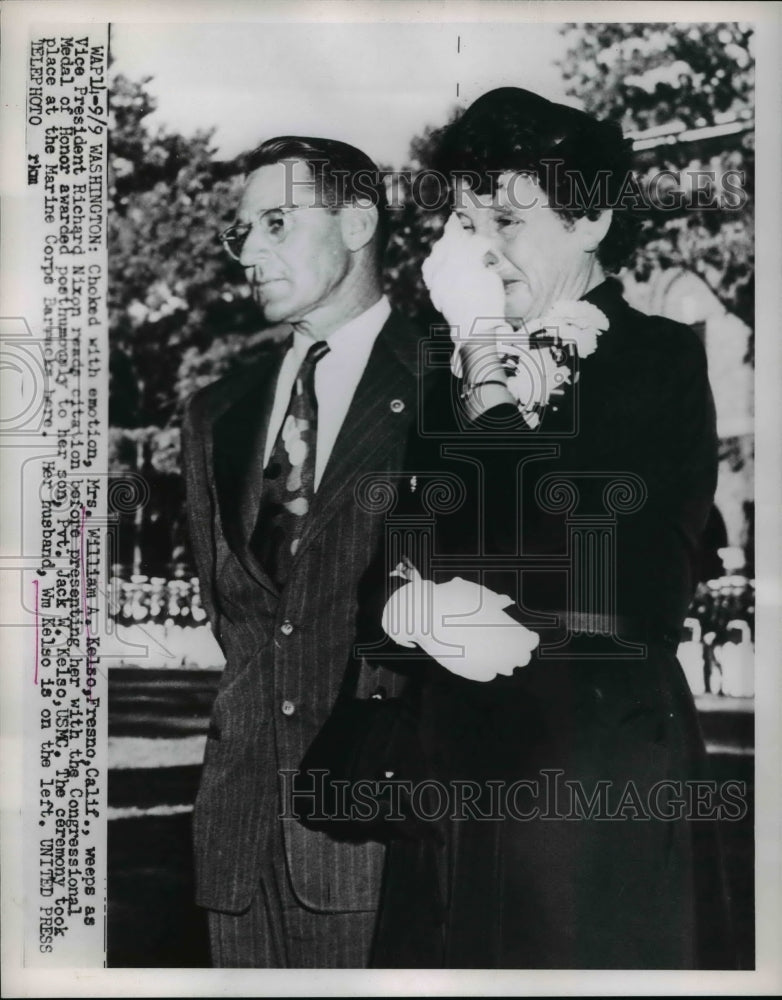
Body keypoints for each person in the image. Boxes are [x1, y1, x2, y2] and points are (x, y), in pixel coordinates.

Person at [361, 88, 736, 968]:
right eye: (464, 221)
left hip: (591, 767)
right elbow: (406, 552)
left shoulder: (655, 359)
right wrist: (409, 603)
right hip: (455, 769)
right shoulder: (446, 370)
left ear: (592, 218)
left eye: (505, 217)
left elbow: (598, 570)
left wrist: (485, 364)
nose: (480, 248)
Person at [181, 136, 428, 967]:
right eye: (241, 231)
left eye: (277, 223)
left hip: (383, 824)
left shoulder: (452, 383)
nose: (249, 252)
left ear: (358, 221)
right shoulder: (215, 412)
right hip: (236, 837)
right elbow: (236, 614)